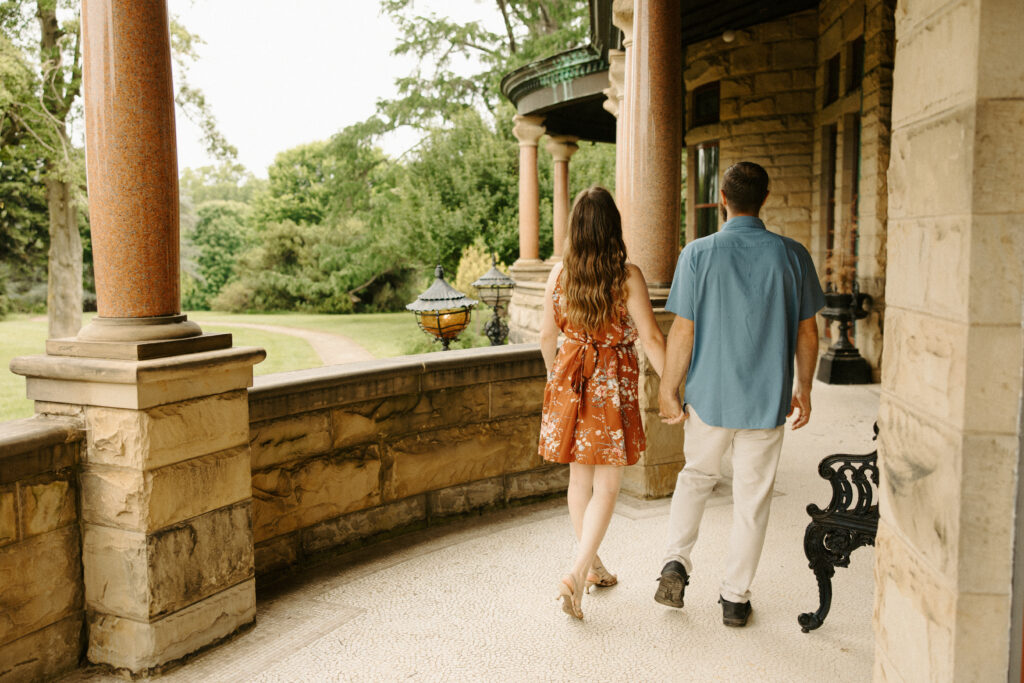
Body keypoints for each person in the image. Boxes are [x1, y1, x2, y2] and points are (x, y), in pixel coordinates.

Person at [655, 161, 824, 627]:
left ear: (723, 199)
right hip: (766, 401)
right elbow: (808, 334)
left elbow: (683, 331)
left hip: (709, 397)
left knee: (695, 478)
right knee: (752, 501)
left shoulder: (698, 253)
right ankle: (734, 598)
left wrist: (669, 388)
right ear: (764, 199)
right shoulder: (793, 255)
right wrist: (803, 387)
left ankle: (676, 562)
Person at [539, 186, 666, 620]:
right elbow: (651, 337)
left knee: (580, 483)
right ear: (613, 226)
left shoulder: (559, 275)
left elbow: (545, 338)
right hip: (612, 383)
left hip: (571, 380)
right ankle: (576, 572)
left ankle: (593, 567)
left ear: (575, 227)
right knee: (608, 487)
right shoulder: (626, 275)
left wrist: (555, 382)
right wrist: (672, 386)